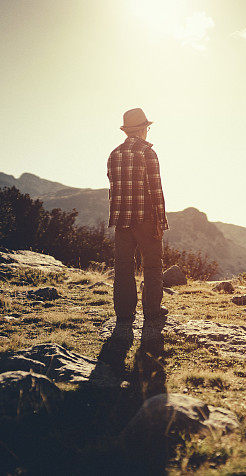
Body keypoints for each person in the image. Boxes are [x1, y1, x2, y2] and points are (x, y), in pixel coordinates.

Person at [99, 107, 169, 376]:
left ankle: (124, 315)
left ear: (127, 130)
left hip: (121, 218)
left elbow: (112, 186)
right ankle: (152, 311)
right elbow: (156, 189)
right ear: (142, 129)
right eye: (146, 127)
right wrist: (160, 222)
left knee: (123, 267)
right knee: (152, 265)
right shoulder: (148, 153)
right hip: (145, 217)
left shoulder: (114, 154)